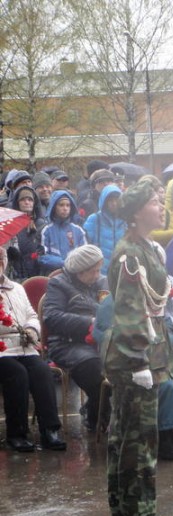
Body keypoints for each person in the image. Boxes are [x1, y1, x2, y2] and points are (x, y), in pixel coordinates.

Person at [104, 178, 173, 516]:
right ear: (135, 213)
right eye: (154, 202)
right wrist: (138, 362)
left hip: (141, 353)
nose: (161, 207)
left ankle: (123, 510)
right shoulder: (131, 253)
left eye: (161, 200)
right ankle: (137, 515)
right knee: (138, 438)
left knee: (125, 435)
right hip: (135, 357)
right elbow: (130, 310)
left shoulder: (144, 248)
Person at [0, 246, 66, 452]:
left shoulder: (16, 288)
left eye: (1, 258)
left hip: (24, 346)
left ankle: (50, 430)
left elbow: (30, 314)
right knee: (17, 375)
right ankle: (16, 433)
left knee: (42, 372)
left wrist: (31, 330)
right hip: (2, 350)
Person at [43, 245, 109, 433]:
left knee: (128, 362)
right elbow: (52, 318)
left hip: (102, 339)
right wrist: (89, 322)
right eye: (93, 271)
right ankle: (99, 416)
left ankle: (94, 410)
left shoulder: (102, 282)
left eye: (99, 270)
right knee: (94, 366)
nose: (98, 275)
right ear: (80, 271)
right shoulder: (58, 284)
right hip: (67, 342)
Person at [39, 190, 87, 273]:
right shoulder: (46, 230)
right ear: (54, 207)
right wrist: (64, 263)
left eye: (68, 205)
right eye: (61, 205)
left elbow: (85, 255)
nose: (65, 208)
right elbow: (42, 256)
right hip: (53, 274)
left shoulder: (78, 230)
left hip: (75, 275)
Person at [83, 184, 126, 274]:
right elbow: (85, 244)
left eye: (116, 200)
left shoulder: (125, 220)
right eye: (110, 200)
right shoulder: (94, 219)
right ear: (104, 201)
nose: (114, 203)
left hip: (121, 270)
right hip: (99, 271)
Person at [7, 185, 46, 280]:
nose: (27, 202)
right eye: (23, 199)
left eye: (30, 199)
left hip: (38, 273)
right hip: (18, 275)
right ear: (17, 203)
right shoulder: (11, 225)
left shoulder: (41, 225)